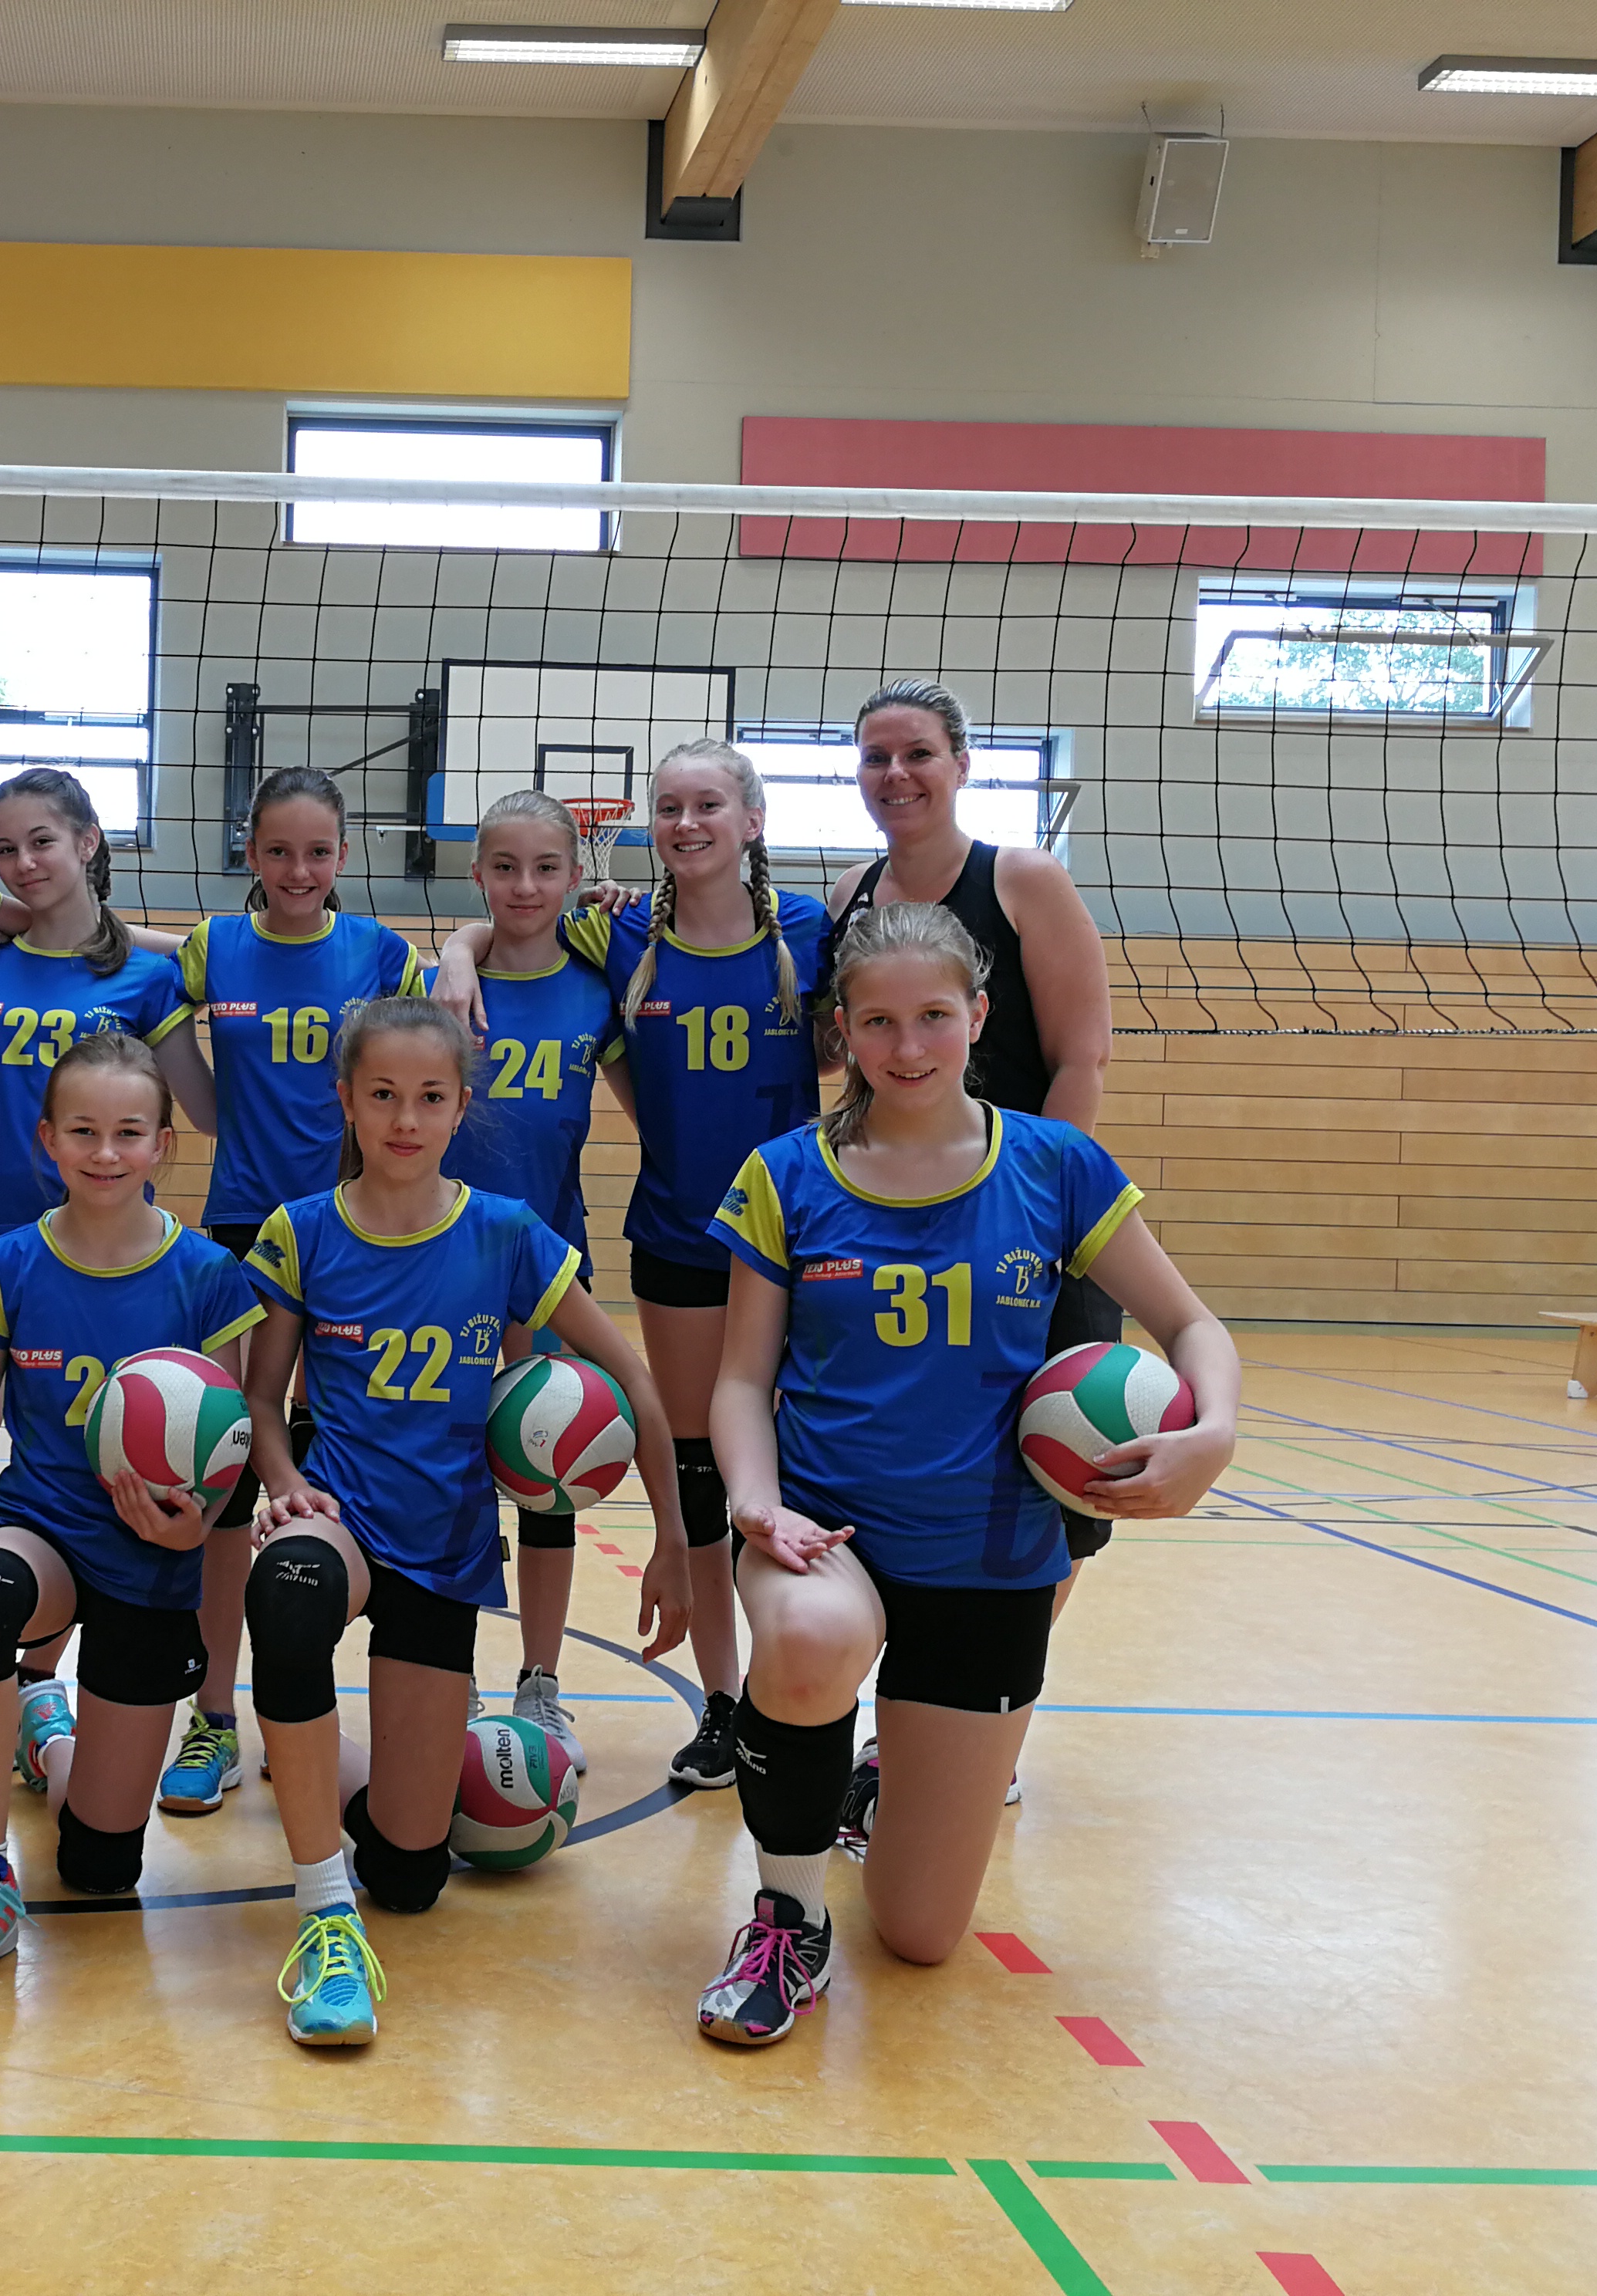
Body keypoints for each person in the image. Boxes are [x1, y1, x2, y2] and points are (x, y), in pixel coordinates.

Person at [695, 901, 1236, 2046]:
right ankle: (787, 1916)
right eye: (878, 1022)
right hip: (824, 1535)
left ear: (978, 1017)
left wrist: (1214, 1434)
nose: (907, 1047)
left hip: (987, 1561)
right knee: (807, 1643)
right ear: (843, 1032)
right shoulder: (787, 1175)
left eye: (934, 1017)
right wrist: (755, 1504)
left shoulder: (1053, 1164)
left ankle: (874, 1788)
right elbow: (739, 1381)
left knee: (920, 1933)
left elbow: (1192, 1326)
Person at [237, 998, 693, 2046]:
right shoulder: (300, 1231)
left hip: (442, 1547)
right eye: (382, 1095)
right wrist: (283, 1481)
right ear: (345, 1101)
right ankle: (321, 1911)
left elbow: (633, 1378)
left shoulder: (505, 1232)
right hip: (338, 1513)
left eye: (429, 1098)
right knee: (289, 1595)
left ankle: (329, 1763)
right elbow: (261, 1399)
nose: (405, 1119)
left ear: (459, 1107)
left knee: (409, 1872)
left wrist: (671, 1537)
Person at [434, 742, 826, 1798]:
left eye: (708, 805)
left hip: (809, 1242)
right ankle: (724, 1704)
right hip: (678, 1239)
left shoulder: (809, 931)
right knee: (702, 1473)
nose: (686, 823)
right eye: (668, 807)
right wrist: (458, 949)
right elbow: (507, 923)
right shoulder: (618, 937)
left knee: (811, 1474)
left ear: (752, 819)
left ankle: (815, 1703)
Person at [0, 1034, 265, 2002]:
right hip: (44, 1531)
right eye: (83, 1132)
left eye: (128, 1133)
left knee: (100, 1867)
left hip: (152, 1557)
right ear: (47, 1139)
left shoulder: (207, 1275)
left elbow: (227, 1446)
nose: (105, 1153)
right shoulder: (8, 1262)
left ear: (162, 1146)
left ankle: (42, 1732)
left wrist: (194, 1525)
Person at [0, 767, 217, 1797]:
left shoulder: (149, 977)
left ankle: (42, 1682)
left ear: (87, 843)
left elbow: (207, 1110)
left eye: (41, 842)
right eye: (5, 848)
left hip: (117, 1261)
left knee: (98, 1451)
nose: (23, 864)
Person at [820, 679, 1116, 1822]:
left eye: (918, 754)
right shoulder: (851, 896)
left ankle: (986, 1732)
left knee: (1059, 1495)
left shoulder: (1023, 880)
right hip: (894, 1237)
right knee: (906, 1480)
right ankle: (898, 1721)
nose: (895, 775)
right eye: (875, 757)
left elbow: (1082, 1056)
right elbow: (834, 1056)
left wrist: (1047, 1208)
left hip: (1029, 1232)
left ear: (959, 765)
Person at [155, 768, 424, 1822]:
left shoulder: (382, 953)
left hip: (353, 1232)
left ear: (343, 856)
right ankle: (214, 1713)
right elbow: (147, 990)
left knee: (336, 1464)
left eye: (317, 852)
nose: (298, 871)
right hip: (239, 1226)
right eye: (278, 851)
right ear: (250, 853)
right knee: (229, 1478)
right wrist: (209, 1110)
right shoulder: (213, 946)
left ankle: (313, 1704)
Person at [426, 791, 623, 1771]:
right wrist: (456, 952)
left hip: (551, 1269)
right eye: (503, 867)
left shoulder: (597, 987)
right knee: (455, 1487)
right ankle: (448, 1677)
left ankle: (539, 1682)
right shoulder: (440, 990)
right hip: (442, 1274)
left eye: (546, 868)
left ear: (576, 878)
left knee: (550, 1481)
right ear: (476, 876)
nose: (524, 886)